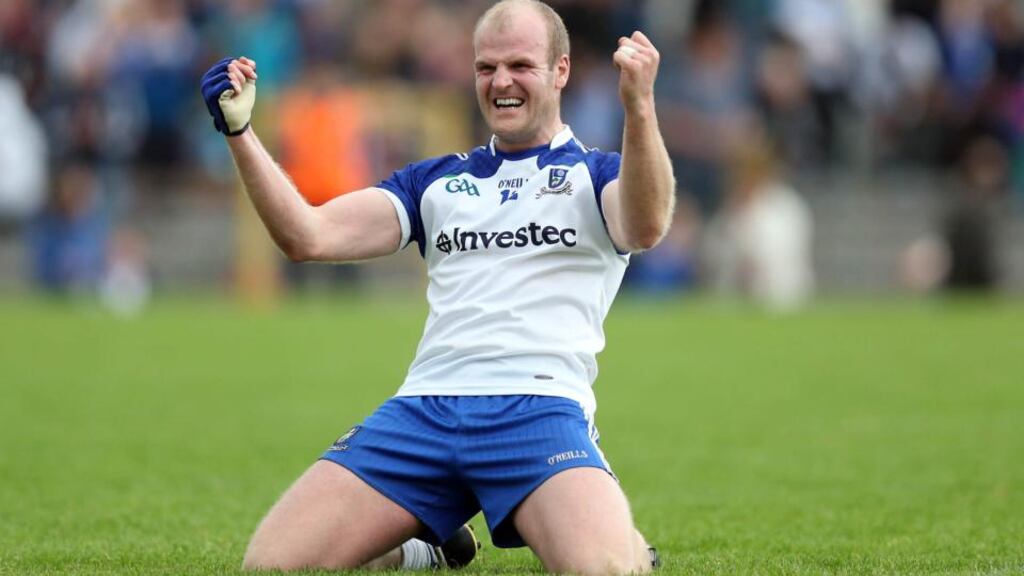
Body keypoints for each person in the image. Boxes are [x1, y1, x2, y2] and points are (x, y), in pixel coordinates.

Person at [200, 0, 675, 573]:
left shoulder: (594, 174)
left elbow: (647, 224)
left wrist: (639, 107)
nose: (501, 81)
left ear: (561, 71)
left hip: (538, 409)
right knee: (270, 566)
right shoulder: (436, 182)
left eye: (520, 65)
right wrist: (240, 131)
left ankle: (615, 534)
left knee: (602, 569)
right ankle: (421, 548)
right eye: (486, 67)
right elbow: (309, 236)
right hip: (424, 410)